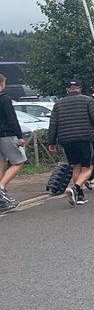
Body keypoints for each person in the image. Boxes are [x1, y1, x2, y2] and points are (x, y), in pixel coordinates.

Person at [47, 79, 94, 206]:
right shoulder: (88, 100)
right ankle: (76, 188)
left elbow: (53, 124)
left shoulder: (58, 104)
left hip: (66, 139)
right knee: (87, 168)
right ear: (80, 88)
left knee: (76, 166)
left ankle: (80, 196)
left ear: (67, 89)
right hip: (84, 137)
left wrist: (51, 142)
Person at [0, 73, 26, 212]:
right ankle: (1, 188)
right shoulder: (4, 99)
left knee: (1, 163)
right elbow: (12, 118)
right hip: (6, 135)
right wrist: (19, 136)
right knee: (18, 161)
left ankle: (1, 199)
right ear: (2, 84)